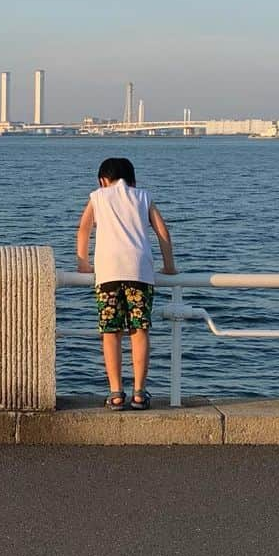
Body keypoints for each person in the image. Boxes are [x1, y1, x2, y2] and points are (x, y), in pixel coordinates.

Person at [76, 156, 176, 410]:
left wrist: (83, 264)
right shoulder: (143, 196)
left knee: (111, 332)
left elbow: (84, 229)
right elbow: (162, 232)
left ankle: (116, 393)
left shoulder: (98, 196)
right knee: (139, 330)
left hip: (108, 271)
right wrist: (169, 266)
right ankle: (140, 393)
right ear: (133, 180)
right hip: (140, 271)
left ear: (103, 180)